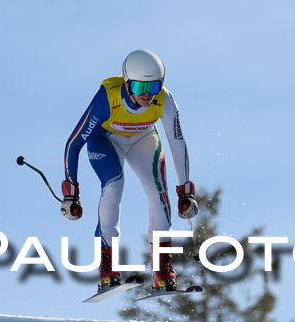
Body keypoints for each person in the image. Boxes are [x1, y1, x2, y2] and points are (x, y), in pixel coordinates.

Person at [60, 49, 199, 293]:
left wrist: (185, 190)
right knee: (114, 185)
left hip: (143, 139)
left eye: (154, 86)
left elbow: (178, 143)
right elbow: (74, 142)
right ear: (126, 84)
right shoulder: (107, 98)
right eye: (138, 87)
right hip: (106, 139)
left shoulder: (165, 100)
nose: (147, 94)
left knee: (158, 192)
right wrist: (71, 191)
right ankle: (108, 269)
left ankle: (163, 272)